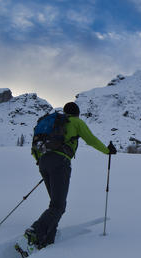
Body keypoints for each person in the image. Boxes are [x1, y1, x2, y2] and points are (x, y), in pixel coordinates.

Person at [25, 102, 116, 249]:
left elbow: (35, 147)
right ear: (77, 113)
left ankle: (47, 240)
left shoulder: (52, 123)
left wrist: (43, 163)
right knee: (58, 206)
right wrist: (107, 151)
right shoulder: (75, 122)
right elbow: (90, 139)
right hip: (60, 163)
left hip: (43, 162)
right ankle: (35, 232)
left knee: (55, 204)